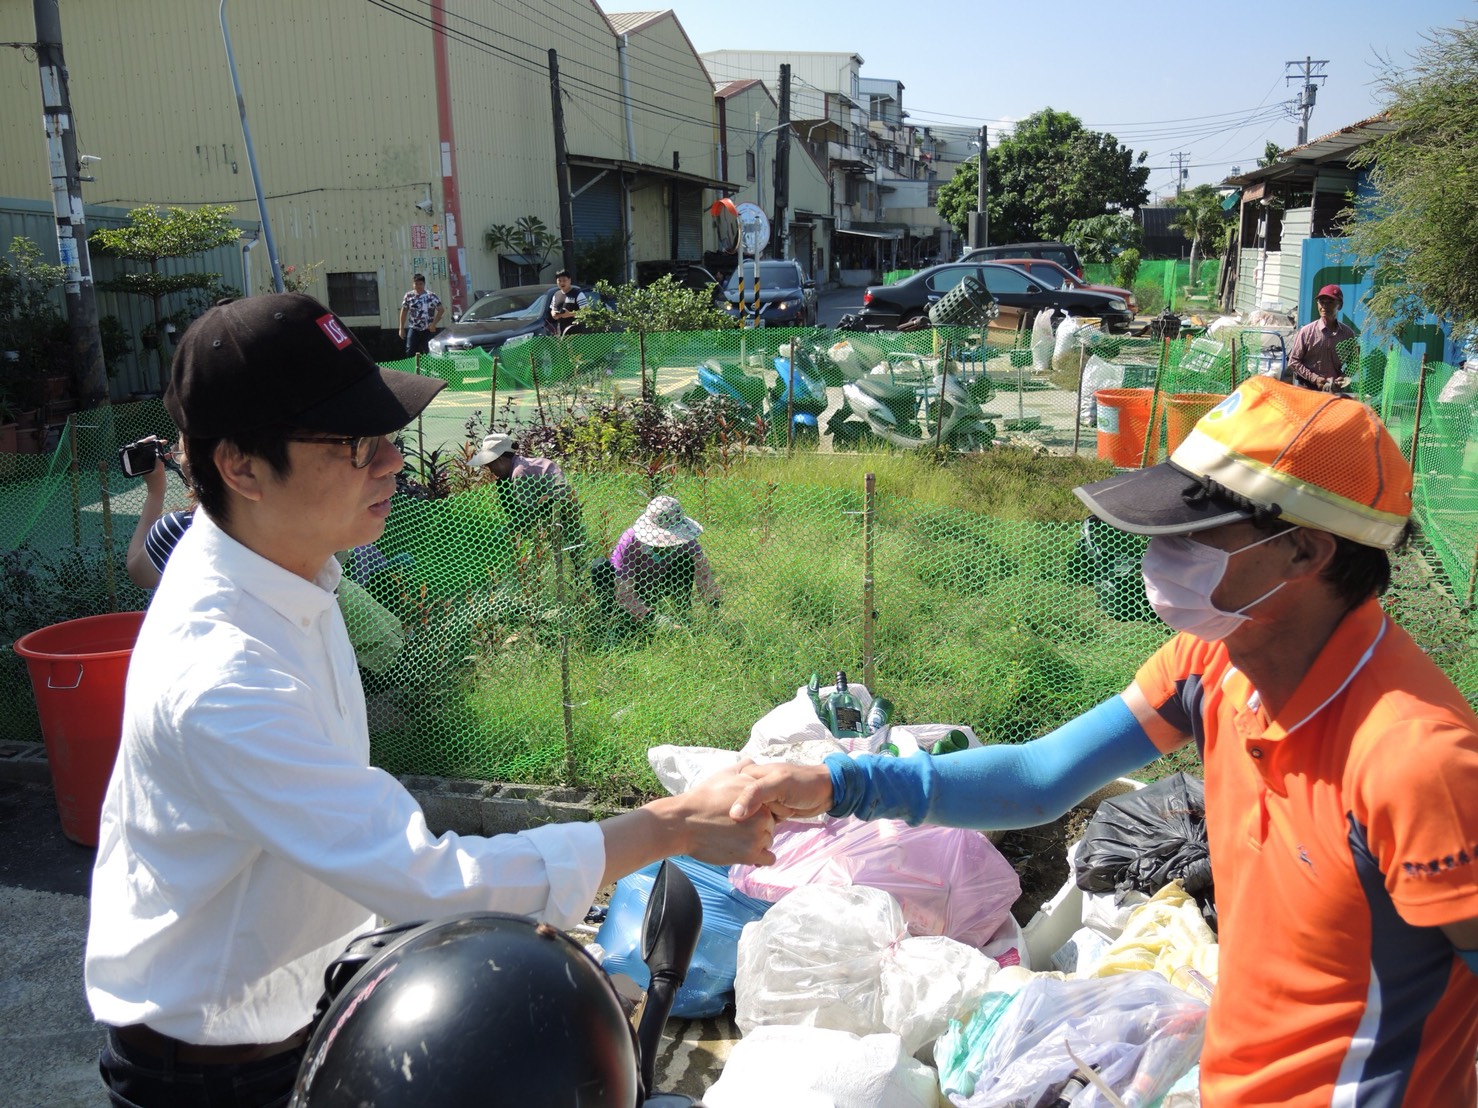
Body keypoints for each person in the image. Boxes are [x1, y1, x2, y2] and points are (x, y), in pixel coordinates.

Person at [85, 293, 775, 1108]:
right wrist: (664, 826)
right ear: (239, 466)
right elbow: (421, 877)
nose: (390, 463)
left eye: (388, 435)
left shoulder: (292, 576)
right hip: (214, 1074)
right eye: (352, 444)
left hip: (295, 1011)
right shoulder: (223, 671)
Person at [731, 377, 1478, 1106]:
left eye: (1196, 531)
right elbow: (1039, 778)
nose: (1160, 547)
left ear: (1306, 553)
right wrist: (839, 785)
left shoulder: (1417, 764)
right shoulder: (1213, 664)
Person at [594, 494, 720, 629]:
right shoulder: (630, 542)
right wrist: (657, 621)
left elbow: (704, 576)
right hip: (629, 588)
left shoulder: (686, 541)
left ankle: (682, 614)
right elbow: (624, 594)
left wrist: (715, 615)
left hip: (657, 585)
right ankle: (614, 623)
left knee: (686, 562)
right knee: (600, 566)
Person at [469, 431, 577, 540]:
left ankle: (542, 540)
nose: (491, 470)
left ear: (500, 460)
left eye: (491, 465)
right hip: (552, 500)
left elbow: (529, 512)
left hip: (557, 502)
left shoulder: (519, 474)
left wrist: (508, 530)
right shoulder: (516, 467)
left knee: (562, 538)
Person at [124, 436, 191, 589]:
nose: (178, 458)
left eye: (180, 452)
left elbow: (138, 573)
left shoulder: (180, 527)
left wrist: (155, 492)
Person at [1287, 283, 1357, 392]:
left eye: (1330, 302)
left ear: (1340, 305)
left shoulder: (1347, 334)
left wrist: (1344, 376)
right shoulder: (1306, 332)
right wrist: (1314, 378)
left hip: (1333, 390)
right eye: (1322, 302)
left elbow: (1354, 361)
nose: (1324, 306)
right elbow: (1293, 361)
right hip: (1308, 389)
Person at [397, 272, 443, 356]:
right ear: (413, 284)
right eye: (416, 284)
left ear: (424, 284)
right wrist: (401, 328)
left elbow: (441, 310)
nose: (418, 286)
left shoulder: (431, 296)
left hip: (427, 329)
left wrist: (434, 323)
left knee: (430, 352)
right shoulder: (409, 296)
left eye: (420, 284)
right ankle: (411, 369)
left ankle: (430, 369)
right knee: (409, 350)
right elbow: (404, 311)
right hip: (414, 328)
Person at [545, 269, 588, 336]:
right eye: (559, 281)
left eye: (564, 280)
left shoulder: (578, 294)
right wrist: (554, 314)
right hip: (561, 333)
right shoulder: (556, 295)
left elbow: (586, 312)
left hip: (577, 332)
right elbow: (553, 309)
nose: (562, 283)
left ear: (570, 280)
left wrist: (570, 314)